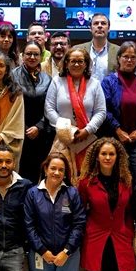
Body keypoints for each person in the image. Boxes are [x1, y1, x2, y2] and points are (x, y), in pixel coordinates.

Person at [23, 152, 86, 271]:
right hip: (41, 256)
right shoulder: (33, 193)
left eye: (61, 169)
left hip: (68, 256)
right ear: (45, 169)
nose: (57, 172)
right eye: (53, 168)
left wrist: (66, 251)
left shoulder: (72, 193)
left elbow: (79, 224)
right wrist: (43, 251)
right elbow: (29, 225)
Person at [77, 138, 135, 271]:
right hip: (96, 242)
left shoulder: (126, 181)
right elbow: (80, 213)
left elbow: (129, 212)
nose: (108, 157)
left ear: (118, 156)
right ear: (97, 156)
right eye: (104, 154)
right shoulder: (86, 183)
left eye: (111, 154)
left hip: (120, 241)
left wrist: (128, 233)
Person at [44, 47, 106, 180]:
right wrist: (67, 130)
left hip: (86, 139)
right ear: (66, 63)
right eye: (73, 61)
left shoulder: (94, 84)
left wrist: (87, 130)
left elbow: (101, 112)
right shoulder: (57, 81)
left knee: (87, 178)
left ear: (86, 64)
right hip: (62, 138)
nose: (76, 64)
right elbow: (49, 108)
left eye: (80, 61)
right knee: (59, 176)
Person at [100, 41, 136, 181]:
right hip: (114, 140)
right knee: (114, 179)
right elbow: (105, 110)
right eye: (125, 56)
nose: (129, 60)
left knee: (135, 180)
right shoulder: (108, 82)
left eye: (133, 57)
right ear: (119, 58)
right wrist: (118, 131)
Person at [12, 41, 53, 183]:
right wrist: (22, 127)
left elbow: (50, 106)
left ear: (41, 57)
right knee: (18, 174)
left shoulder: (47, 79)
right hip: (18, 132)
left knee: (38, 174)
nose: (32, 57)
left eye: (36, 54)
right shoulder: (12, 76)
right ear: (22, 56)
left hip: (41, 134)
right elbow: (10, 106)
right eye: (28, 54)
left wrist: (39, 126)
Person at [72, 13, 118, 81]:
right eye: (96, 23)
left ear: (108, 28)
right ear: (90, 28)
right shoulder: (77, 49)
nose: (99, 26)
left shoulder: (119, 51)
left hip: (108, 91)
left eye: (103, 23)